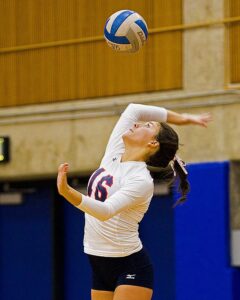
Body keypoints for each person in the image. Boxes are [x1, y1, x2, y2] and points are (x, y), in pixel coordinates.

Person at [57, 103, 211, 300]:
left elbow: (105, 211)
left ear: (153, 143)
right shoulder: (115, 151)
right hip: (97, 261)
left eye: (147, 126)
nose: (137, 124)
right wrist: (183, 118)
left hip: (129, 265)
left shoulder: (140, 180)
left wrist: (67, 191)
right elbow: (134, 110)